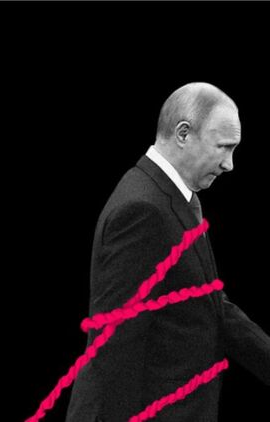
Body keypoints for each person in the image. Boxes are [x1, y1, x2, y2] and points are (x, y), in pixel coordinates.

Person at [65, 82, 270, 421]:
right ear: (183, 133)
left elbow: (209, 302)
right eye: (223, 147)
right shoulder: (144, 211)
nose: (229, 164)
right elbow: (114, 347)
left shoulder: (174, 198)